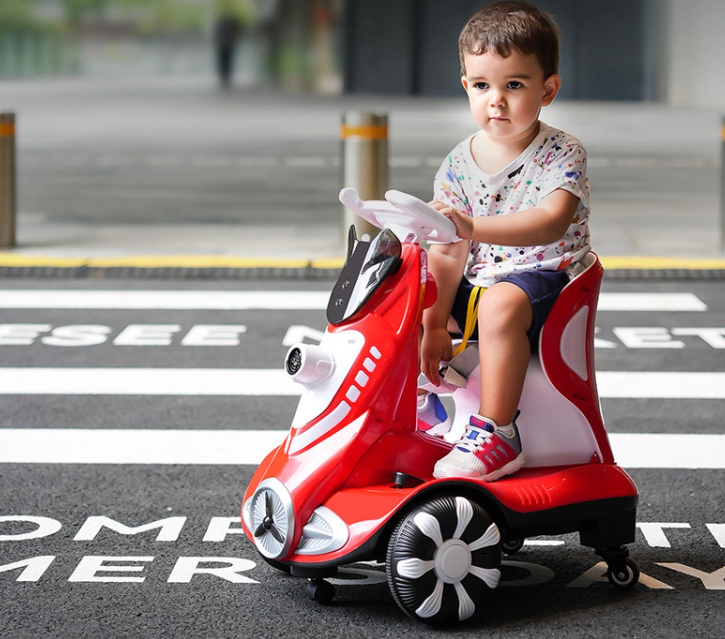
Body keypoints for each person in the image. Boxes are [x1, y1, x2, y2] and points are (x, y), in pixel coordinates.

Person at [418, 0, 591, 482]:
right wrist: (433, 322)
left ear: (548, 89)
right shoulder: (458, 161)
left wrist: (470, 227)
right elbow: (448, 250)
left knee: (497, 306)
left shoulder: (562, 152)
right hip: (484, 281)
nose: (496, 100)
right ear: (466, 87)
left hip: (548, 278)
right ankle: (425, 402)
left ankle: (498, 431)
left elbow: (550, 221)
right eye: (482, 85)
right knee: (405, 294)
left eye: (513, 85)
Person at [215, 11, 242, 88]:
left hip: (229, 44)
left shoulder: (232, 24)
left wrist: (234, 39)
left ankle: (227, 76)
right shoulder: (220, 23)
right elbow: (217, 33)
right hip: (222, 45)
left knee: (228, 61)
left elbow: (238, 31)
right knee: (223, 61)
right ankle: (223, 76)